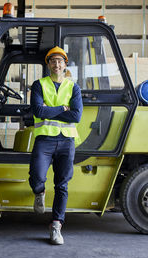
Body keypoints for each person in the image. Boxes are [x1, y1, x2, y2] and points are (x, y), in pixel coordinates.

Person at [29, 46, 83, 245]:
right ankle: (39, 192)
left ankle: (56, 226)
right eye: (53, 61)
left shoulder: (73, 87)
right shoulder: (39, 85)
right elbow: (38, 111)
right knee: (37, 176)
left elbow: (76, 116)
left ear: (65, 64)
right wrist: (62, 108)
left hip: (67, 140)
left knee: (62, 184)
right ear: (48, 64)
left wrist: (48, 109)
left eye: (60, 61)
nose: (57, 64)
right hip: (45, 139)